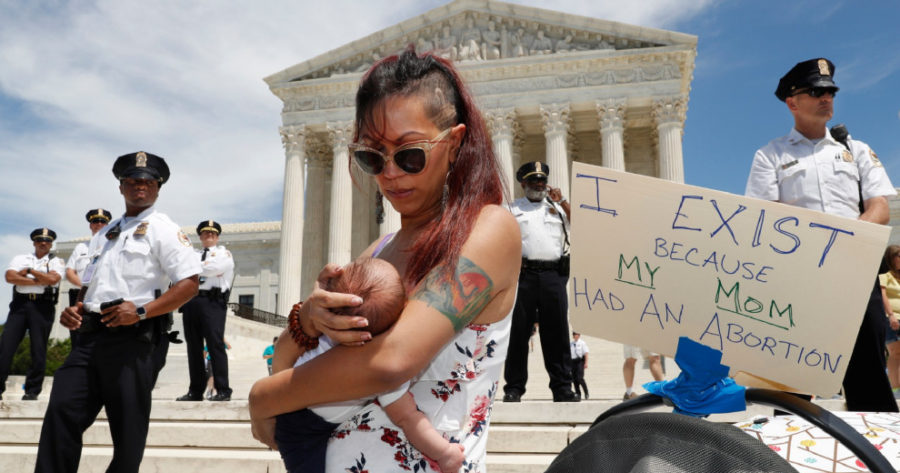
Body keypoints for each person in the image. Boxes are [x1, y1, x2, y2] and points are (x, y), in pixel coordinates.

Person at [249, 47, 520, 472]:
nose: (390, 172)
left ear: (454, 143)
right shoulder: (376, 252)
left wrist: (262, 398)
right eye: (372, 156)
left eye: (409, 154)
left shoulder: (489, 228)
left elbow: (391, 362)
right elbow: (291, 357)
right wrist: (310, 319)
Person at [746, 58, 898, 412]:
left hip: (854, 276)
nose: (826, 97)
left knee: (870, 378)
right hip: (800, 279)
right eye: (816, 91)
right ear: (792, 102)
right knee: (792, 383)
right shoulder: (770, 155)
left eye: (830, 91)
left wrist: (844, 240)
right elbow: (765, 215)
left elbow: (879, 207)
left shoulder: (856, 150)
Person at [35, 151, 201, 473]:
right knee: (62, 412)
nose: (141, 188)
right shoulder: (105, 234)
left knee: (127, 431)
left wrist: (140, 311)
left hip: (134, 338)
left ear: (157, 188)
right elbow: (90, 282)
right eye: (133, 182)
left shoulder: (162, 228)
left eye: (148, 183)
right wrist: (76, 307)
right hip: (89, 338)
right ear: (121, 187)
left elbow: (189, 284)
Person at [275, 257, 464, 473]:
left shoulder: (320, 332)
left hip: (293, 408)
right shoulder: (377, 369)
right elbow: (409, 419)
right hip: (304, 430)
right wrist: (444, 453)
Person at [502, 161, 579, 403]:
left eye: (542, 180)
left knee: (556, 333)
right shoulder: (511, 210)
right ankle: (514, 387)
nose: (539, 185)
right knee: (518, 334)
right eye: (534, 181)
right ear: (523, 183)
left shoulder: (558, 208)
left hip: (553, 276)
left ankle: (562, 387)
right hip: (523, 275)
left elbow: (583, 225)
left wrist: (563, 200)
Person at [0, 228, 65, 401]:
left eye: (47, 241)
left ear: (51, 244)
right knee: (6, 346)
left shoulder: (56, 261)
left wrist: (29, 271)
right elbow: (9, 277)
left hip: (42, 306)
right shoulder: (20, 258)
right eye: (39, 240)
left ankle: (32, 390)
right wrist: (38, 280)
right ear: (34, 242)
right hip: (20, 305)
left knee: (38, 348)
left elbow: (52, 280)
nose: (43, 243)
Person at [176, 220, 235, 402]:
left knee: (215, 345)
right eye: (205, 233)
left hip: (213, 302)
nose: (209, 236)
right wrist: (203, 269)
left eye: (212, 234)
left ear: (217, 237)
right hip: (192, 301)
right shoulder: (192, 254)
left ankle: (223, 389)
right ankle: (195, 390)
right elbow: (181, 269)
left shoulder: (224, 253)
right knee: (193, 347)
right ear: (200, 236)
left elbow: (215, 268)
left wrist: (193, 270)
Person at [65, 209, 112, 307]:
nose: (99, 224)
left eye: (103, 222)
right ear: (90, 225)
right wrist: (85, 288)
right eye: (95, 221)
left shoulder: (113, 246)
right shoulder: (80, 247)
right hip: (80, 297)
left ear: (107, 226)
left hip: (106, 297)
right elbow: (70, 272)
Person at [880, 245, 900, 398]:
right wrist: (891, 315)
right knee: (895, 353)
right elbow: (883, 295)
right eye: (898, 255)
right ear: (891, 258)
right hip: (892, 319)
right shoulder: (885, 275)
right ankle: (895, 390)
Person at [570, 331, 589, 400]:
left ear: (579, 335)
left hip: (580, 361)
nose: (575, 335)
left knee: (580, 378)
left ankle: (586, 392)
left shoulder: (582, 343)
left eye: (576, 334)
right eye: (574, 334)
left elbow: (586, 353)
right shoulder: (571, 344)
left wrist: (586, 363)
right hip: (573, 362)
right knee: (574, 379)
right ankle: (578, 394)